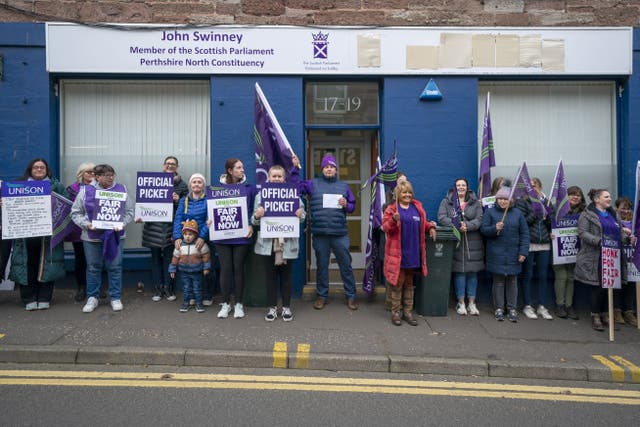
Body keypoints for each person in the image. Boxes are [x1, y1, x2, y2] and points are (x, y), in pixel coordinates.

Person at [294, 153, 359, 310]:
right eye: (326, 167)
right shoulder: (312, 184)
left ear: (336, 170)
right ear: (322, 169)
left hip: (340, 234)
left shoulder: (344, 186)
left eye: (332, 167)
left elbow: (352, 206)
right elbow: (296, 188)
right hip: (320, 234)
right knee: (322, 267)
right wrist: (295, 169)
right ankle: (321, 296)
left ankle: (351, 296)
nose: (329, 169)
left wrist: (346, 205)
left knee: (346, 265)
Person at [71, 164, 134, 313]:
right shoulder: (85, 191)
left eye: (112, 174)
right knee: (93, 267)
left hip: (115, 235)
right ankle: (92, 297)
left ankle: (115, 297)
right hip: (92, 237)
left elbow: (130, 211)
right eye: (107, 175)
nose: (110, 178)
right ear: (97, 177)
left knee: (115, 267)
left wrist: (123, 223)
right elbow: (75, 213)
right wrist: (86, 224)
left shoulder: (121, 189)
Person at [7, 158, 68, 310]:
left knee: (47, 266)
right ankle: (29, 298)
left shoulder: (56, 186)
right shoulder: (18, 185)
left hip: (48, 236)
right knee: (27, 266)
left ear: (47, 170)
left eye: (42, 167)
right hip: (25, 237)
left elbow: (66, 207)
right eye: (36, 167)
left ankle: (44, 297)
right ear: (30, 169)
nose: (39, 170)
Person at [574, 189, 635, 331]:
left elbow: (619, 232)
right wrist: (599, 241)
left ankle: (606, 314)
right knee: (598, 287)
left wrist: (627, 239)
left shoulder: (613, 214)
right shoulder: (587, 215)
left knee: (610, 286)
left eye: (609, 196)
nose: (609, 199)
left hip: (613, 256)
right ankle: (595, 315)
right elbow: (582, 233)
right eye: (606, 197)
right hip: (595, 256)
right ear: (597, 199)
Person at [251, 165, 305, 322]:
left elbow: (303, 217)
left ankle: (287, 308)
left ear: (284, 178)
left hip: (287, 243)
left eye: (279, 176)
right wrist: (257, 215)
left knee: (287, 277)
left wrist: (300, 214)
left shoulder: (293, 195)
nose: (276, 179)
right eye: (273, 176)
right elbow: (253, 221)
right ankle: (272, 308)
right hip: (268, 244)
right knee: (270, 278)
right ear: (268, 178)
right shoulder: (261, 196)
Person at [382, 181, 436, 326]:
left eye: (409, 192)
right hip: (398, 254)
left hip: (413, 252)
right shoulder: (392, 209)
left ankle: (407, 312)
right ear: (398, 194)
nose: (407, 195)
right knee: (398, 283)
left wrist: (430, 227)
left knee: (409, 283)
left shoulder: (417, 207)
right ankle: (395, 312)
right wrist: (393, 220)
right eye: (404, 192)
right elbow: (385, 227)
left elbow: (423, 223)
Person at [138, 156, 188, 302]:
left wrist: (178, 200)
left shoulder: (182, 185)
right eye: (168, 163)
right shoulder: (151, 182)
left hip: (171, 227)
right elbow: (143, 202)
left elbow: (186, 208)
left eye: (173, 164)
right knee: (155, 260)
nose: (170, 166)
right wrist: (140, 214)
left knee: (169, 259)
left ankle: (168, 287)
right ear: (163, 165)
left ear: (177, 167)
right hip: (153, 227)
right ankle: (157, 288)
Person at [214, 158, 255, 319]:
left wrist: (252, 224)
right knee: (225, 269)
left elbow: (252, 209)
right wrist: (210, 220)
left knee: (238, 269)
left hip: (242, 235)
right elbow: (211, 209)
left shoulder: (249, 189)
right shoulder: (217, 189)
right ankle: (225, 304)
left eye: (243, 167)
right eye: (239, 168)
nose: (242, 170)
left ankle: (239, 304)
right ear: (230, 171)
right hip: (222, 236)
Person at [481, 187, 529, 322]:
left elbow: (525, 234)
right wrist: (494, 228)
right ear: (496, 200)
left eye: (505, 199)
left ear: (511, 200)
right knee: (498, 282)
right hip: (496, 253)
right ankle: (499, 308)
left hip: (514, 253)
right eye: (500, 199)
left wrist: (523, 252)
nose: (503, 201)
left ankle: (512, 308)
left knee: (513, 282)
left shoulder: (518, 214)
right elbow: (483, 230)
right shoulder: (490, 213)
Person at [437, 178, 484, 316]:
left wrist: (468, 226)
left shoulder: (475, 203)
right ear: (454, 188)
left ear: (467, 187)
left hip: (473, 241)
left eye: (463, 185)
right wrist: (456, 225)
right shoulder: (446, 202)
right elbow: (441, 217)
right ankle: (461, 303)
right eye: (458, 185)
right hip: (456, 241)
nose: (461, 187)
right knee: (460, 272)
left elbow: (479, 219)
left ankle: (472, 303)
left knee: (472, 272)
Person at [516, 177, 554, 320]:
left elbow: (552, 222)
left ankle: (542, 306)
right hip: (529, 243)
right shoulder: (522, 201)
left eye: (535, 186)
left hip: (544, 243)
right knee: (528, 274)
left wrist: (548, 214)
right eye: (529, 186)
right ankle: (527, 305)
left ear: (539, 186)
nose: (532, 188)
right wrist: (535, 213)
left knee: (543, 275)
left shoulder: (546, 201)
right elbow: (522, 222)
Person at [173, 172, 210, 302]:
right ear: (190, 185)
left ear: (203, 185)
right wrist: (177, 236)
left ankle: (206, 295)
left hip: (203, 238)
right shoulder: (184, 200)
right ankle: (192, 296)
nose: (196, 184)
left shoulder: (208, 199)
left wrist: (203, 236)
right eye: (194, 182)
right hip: (187, 238)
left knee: (205, 266)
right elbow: (178, 219)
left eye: (199, 182)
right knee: (190, 266)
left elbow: (209, 219)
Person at [551, 185, 586, 320]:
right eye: (572, 194)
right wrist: (551, 233)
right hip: (558, 248)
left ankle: (569, 306)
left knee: (571, 276)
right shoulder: (557, 208)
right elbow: (548, 223)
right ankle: (560, 305)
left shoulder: (584, 212)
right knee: (561, 275)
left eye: (578, 195)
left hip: (575, 248)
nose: (575, 197)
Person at [65, 162, 95, 302]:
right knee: (81, 260)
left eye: (93, 172)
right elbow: (68, 210)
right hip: (78, 230)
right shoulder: (72, 189)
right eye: (88, 172)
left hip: (97, 230)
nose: (91, 174)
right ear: (81, 174)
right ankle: (82, 287)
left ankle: (96, 287)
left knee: (96, 261)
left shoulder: (100, 187)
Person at [169, 219, 211, 313]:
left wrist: (206, 267)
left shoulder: (199, 245)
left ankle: (199, 303)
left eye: (190, 234)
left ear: (195, 235)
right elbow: (175, 257)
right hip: (184, 271)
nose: (187, 236)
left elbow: (206, 256)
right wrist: (172, 269)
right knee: (186, 288)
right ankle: (186, 303)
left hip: (197, 271)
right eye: (185, 234)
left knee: (197, 288)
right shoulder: (180, 246)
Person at [614, 196, 638, 326]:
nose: (626, 211)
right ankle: (616, 311)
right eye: (623, 208)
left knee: (631, 285)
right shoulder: (613, 219)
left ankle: (629, 312)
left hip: (632, 259)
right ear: (617, 208)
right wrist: (622, 230)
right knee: (618, 284)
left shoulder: (635, 221)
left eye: (628, 209)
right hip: (618, 257)